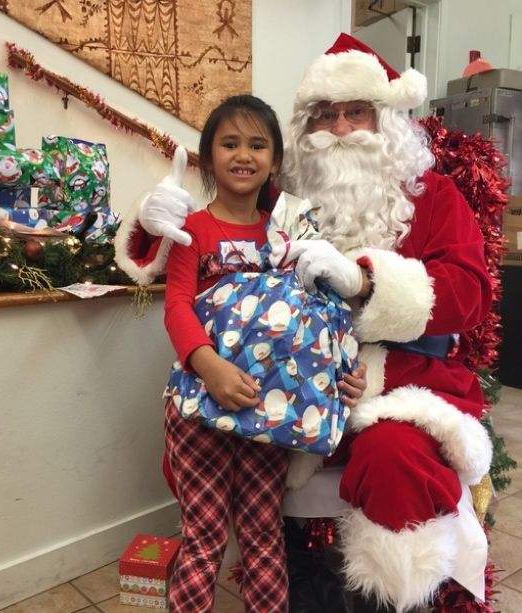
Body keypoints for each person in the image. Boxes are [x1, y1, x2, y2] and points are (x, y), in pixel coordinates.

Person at [115, 34, 493, 613]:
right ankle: (295, 587)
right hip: (287, 380)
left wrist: (364, 283)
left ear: (387, 120)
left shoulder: (433, 196)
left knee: (393, 456)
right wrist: (151, 221)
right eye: (323, 114)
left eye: (355, 112)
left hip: (399, 381)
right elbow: (207, 245)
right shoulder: (282, 198)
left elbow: (469, 293)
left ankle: (392, 599)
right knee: (207, 443)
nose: (338, 129)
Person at [163, 93, 366, 612]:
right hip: (200, 406)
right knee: (203, 535)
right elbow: (177, 307)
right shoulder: (192, 229)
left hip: (270, 414)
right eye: (229, 143)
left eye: (257, 145)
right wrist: (209, 367)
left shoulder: (290, 232)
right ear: (208, 157)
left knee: (261, 536)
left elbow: (318, 316)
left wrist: (347, 371)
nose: (243, 155)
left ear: (275, 160)